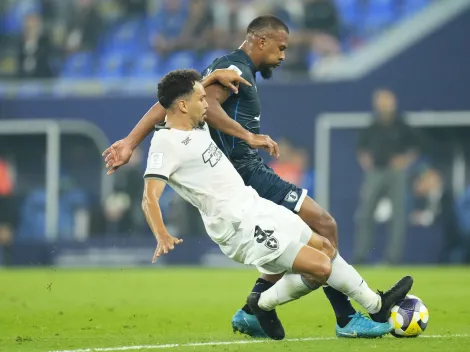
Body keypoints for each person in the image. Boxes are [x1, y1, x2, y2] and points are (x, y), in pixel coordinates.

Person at [102, 15, 390, 339]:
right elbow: (202, 106)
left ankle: (332, 310)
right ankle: (342, 315)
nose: (283, 56)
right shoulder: (235, 68)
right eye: (280, 48)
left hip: (247, 177)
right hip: (245, 176)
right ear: (260, 41)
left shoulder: (229, 69)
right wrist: (247, 136)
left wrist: (129, 140)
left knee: (317, 235)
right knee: (323, 225)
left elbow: (172, 103)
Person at [141, 69, 413, 340]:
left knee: (326, 246)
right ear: (183, 105)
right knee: (320, 269)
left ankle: (377, 307)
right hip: (237, 225)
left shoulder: (195, 123)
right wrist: (161, 234)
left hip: (254, 204)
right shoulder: (165, 144)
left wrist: (212, 78)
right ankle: (259, 305)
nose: (207, 104)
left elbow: (174, 96)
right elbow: (149, 197)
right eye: (202, 99)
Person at [354, 89, 419, 264]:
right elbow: (362, 148)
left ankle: (393, 257)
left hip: (396, 173)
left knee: (398, 215)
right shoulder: (372, 125)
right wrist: (366, 163)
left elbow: (416, 146)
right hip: (375, 172)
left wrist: (404, 161)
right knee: (365, 213)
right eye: (380, 101)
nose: (383, 104)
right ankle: (361, 254)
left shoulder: (401, 124)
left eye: (386, 100)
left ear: (393, 102)